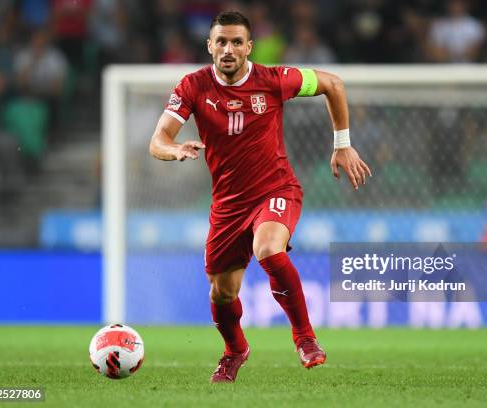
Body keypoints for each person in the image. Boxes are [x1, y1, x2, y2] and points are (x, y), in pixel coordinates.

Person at [149, 11, 371, 383]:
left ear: (249, 47)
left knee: (268, 248)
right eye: (221, 41)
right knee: (222, 293)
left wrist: (343, 145)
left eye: (237, 42)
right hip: (228, 205)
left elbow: (333, 83)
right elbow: (158, 140)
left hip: (276, 190)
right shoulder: (193, 86)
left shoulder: (273, 80)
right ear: (210, 46)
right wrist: (173, 150)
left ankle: (305, 338)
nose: (229, 49)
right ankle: (235, 350)